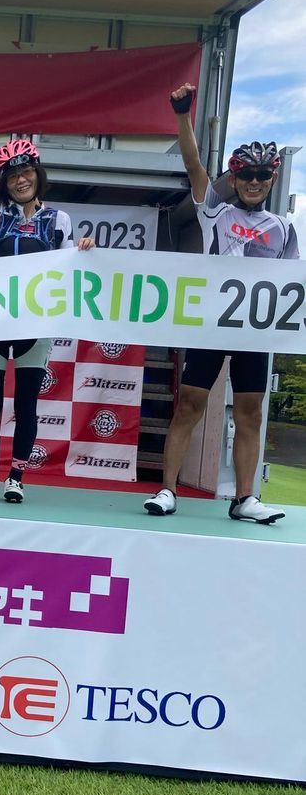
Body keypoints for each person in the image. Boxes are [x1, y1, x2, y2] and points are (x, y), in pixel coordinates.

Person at [144, 84, 299, 524]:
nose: (254, 182)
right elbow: (193, 164)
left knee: (250, 413)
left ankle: (245, 498)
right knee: (189, 405)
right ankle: (167, 489)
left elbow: (291, 285)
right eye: (246, 174)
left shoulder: (283, 228)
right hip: (211, 325)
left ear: (272, 179)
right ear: (233, 179)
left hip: (254, 332)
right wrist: (182, 115)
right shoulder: (216, 212)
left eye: (262, 175)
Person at [0, 90, 94, 504]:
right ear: (5, 183)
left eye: (26, 172)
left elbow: (68, 270)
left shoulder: (59, 219)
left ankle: (16, 477)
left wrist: (84, 250)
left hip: (35, 323)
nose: (20, 180)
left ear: (37, 173)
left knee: (26, 404)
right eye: (12, 176)